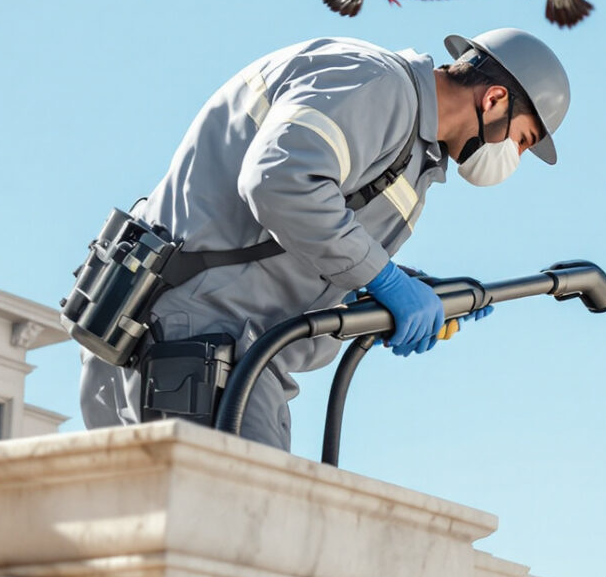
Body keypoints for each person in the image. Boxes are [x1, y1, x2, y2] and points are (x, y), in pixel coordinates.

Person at [79, 28, 571, 449]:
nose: (514, 157)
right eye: (522, 140)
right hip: (197, 335)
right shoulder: (379, 85)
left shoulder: (411, 147)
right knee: (245, 523)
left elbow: (308, 243)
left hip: (212, 342)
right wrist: (385, 280)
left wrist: (392, 290)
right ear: (494, 99)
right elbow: (278, 181)